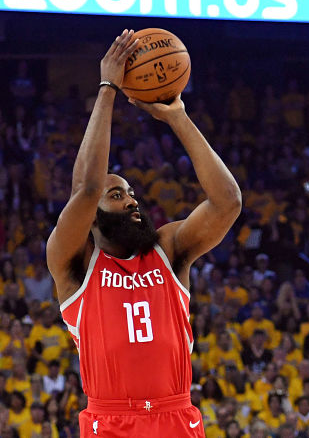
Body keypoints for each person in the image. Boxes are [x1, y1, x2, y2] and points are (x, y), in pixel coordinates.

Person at [47, 30, 242, 436]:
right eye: (117, 195)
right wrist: (107, 89)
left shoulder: (169, 248)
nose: (133, 201)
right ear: (93, 215)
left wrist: (178, 117)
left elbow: (228, 202)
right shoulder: (76, 263)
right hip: (110, 419)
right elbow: (85, 189)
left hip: (177, 416)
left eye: (132, 194)